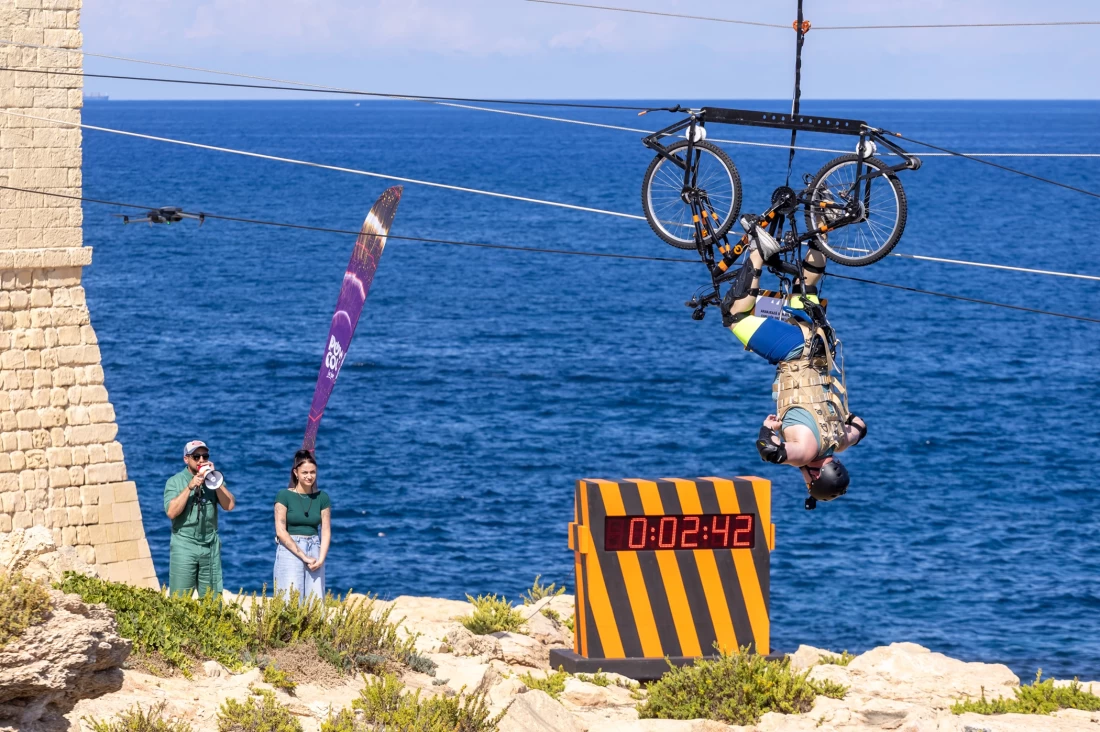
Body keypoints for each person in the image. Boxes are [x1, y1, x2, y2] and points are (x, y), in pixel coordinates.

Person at [722, 219, 867, 509]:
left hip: (820, 346)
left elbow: (860, 426)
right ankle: (758, 250)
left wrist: (836, 419)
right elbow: (771, 452)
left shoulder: (840, 442)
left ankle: (823, 222)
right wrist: (768, 428)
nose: (804, 480)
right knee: (734, 316)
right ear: (816, 476)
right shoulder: (805, 454)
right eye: (808, 483)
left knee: (804, 288)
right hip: (795, 351)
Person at [163, 440, 236, 595]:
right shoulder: (174, 481)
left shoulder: (213, 480)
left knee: (212, 598)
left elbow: (229, 505)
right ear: (186, 459)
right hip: (184, 545)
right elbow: (171, 512)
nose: (201, 460)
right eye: (196, 457)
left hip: (209, 546)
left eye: (205, 456)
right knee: (180, 599)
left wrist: (215, 481)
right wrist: (190, 487)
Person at [273, 449, 332, 601]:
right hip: (290, 550)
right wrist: (303, 556)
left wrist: (321, 559)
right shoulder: (284, 495)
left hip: (314, 547)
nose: (309, 476)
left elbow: (326, 530)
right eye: (305, 472)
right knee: (289, 599)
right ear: (296, 473)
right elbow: (280, 531)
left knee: (316, 600)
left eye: (312, 472)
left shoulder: (322, 497)